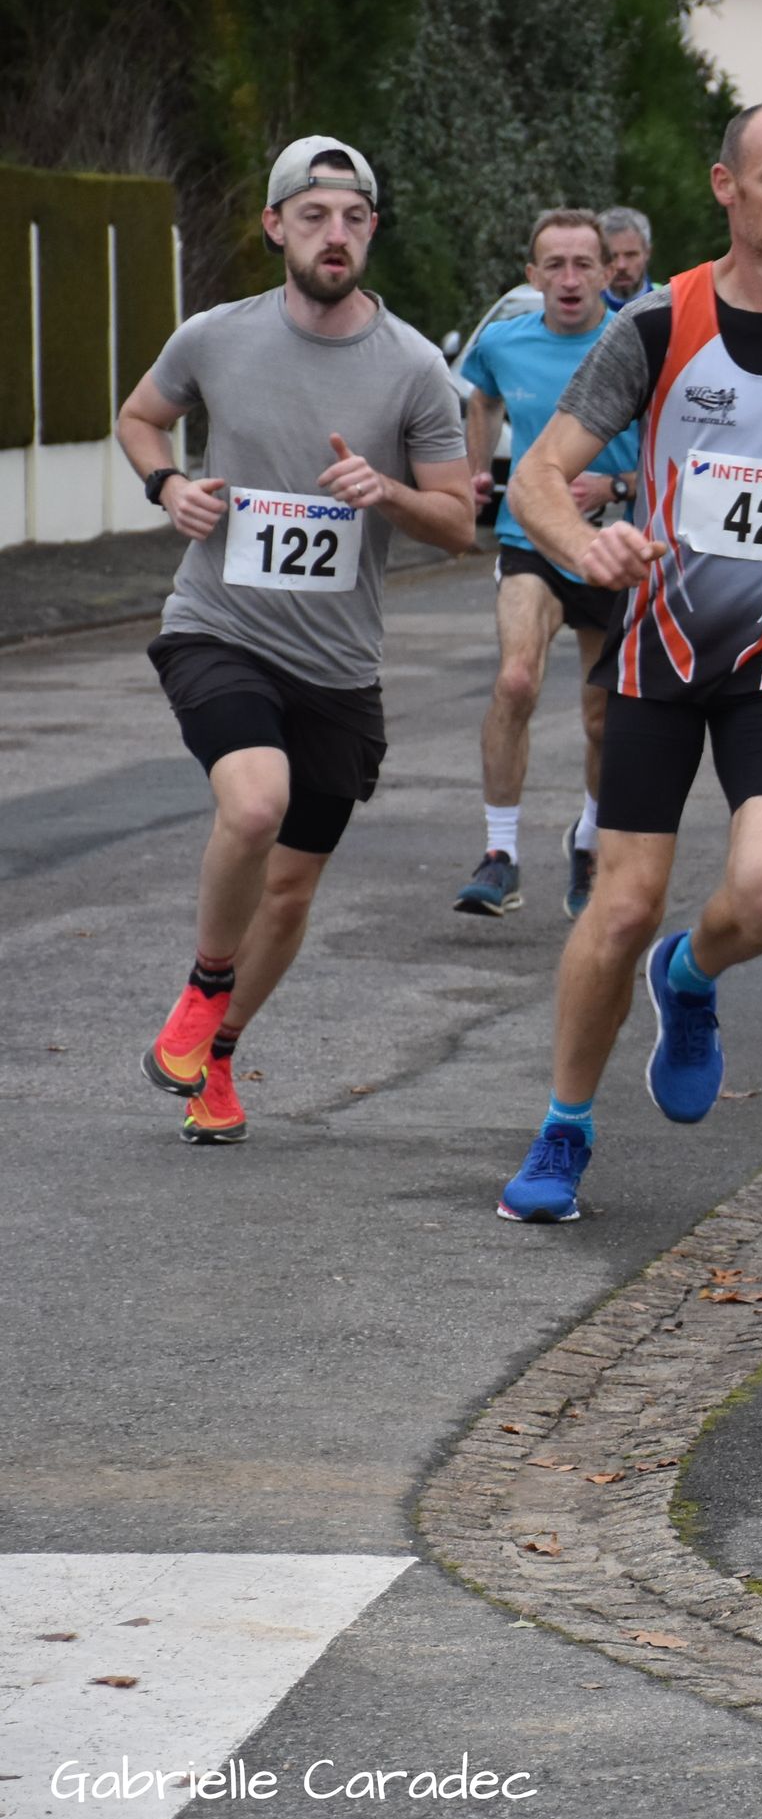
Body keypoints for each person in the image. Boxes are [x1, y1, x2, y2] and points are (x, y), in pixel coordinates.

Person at [493, 101, 762, 1223]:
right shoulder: (656, 325)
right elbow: (539, 476)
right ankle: (564, 1130)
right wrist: (585, 544)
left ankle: (691, 976)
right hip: (662, 651)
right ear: (726, 186)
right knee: (622, 904)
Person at [117, 135, 474, 1145]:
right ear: (276, 225)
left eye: (354, 217)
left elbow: (459, 521)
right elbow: (140, 417)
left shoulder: (414, 367)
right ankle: (205, 984)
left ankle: (219, 1052)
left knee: (289, 888)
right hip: (219, 627)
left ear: (372, 229)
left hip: (337, 666)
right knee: (254, 800)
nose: (335, 233)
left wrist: (387, 490)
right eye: (314, 215)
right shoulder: (215, 337)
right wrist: (168, 485)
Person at [454, 208, 641, 921]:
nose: (569, 279)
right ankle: (499, 855)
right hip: (529, 536)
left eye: (583, 264)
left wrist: (616, 486)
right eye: (554, 266)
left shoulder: (636, 343)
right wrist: (477, 470)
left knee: (603, 720)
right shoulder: (503, 343)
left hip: (613, 547)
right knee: (516, 679)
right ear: (533, 276)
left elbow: (676, 447)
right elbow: (482, 399)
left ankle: (588, 838)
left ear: (607, 272)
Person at [600, 206, 653, 309]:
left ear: (647, 253)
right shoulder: (583, 310)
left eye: (630, 255)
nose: (621, 266)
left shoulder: (671, 304)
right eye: (612, 256)